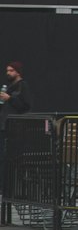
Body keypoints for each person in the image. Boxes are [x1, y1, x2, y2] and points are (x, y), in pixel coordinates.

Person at [0, 62, 31, 198]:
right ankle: (4, 189)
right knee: (4, 159)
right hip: (4, 126)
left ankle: (12, 191)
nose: (8, 73)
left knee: (13, 159)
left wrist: (10, 99)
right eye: (7, 70)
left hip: (16, 129)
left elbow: (25, 106)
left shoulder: (22, 86)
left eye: (11, 70)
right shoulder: (7, 87)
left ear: (17, 72)